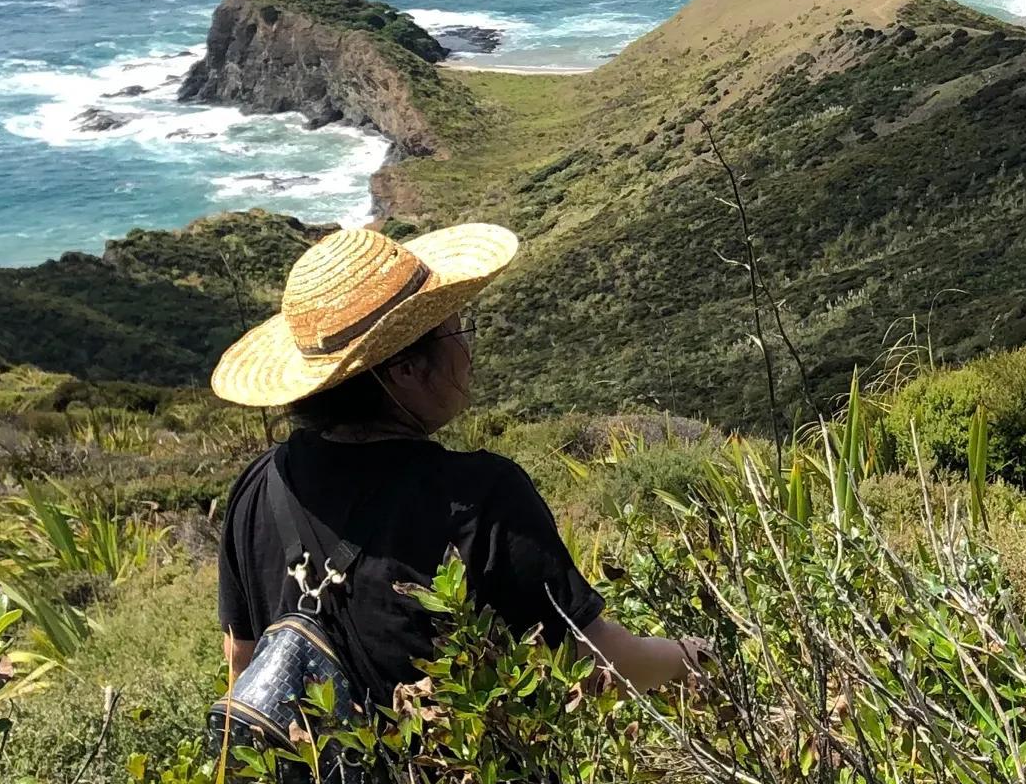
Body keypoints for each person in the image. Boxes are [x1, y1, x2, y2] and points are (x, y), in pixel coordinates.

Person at [209, 221, 707, 719]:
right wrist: (692, 656)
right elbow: (595, 662)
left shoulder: (259, 485)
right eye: (457, 330)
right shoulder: (479, 497)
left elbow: (245, 664)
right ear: (404, 370)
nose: (467, 355)